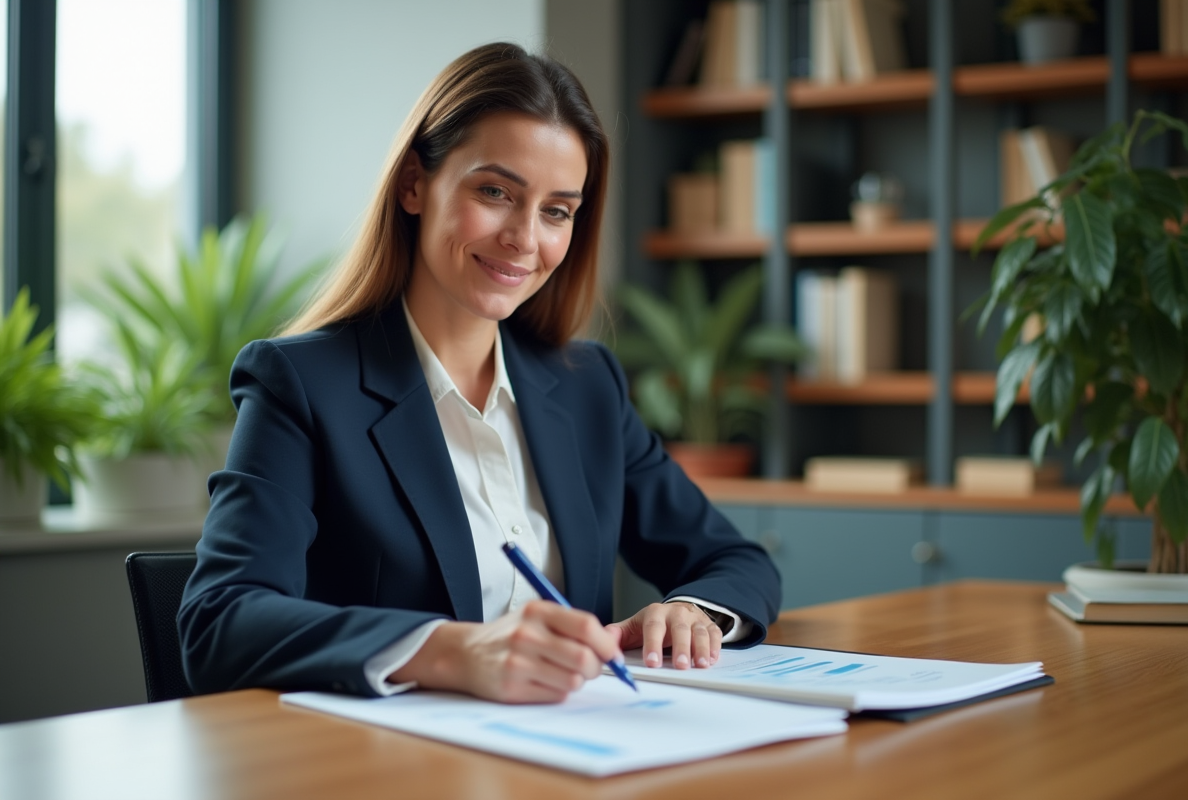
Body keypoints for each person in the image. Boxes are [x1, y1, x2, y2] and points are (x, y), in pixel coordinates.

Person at [178, 42, 781, 704]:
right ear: (414, 184)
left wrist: (694, 611)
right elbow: (220, 621)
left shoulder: (587, 387)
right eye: (496, 192)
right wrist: (451, 650)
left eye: (557, 210)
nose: (525, 238)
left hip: (578, 757)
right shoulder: (300, 384)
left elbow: (736, 561)